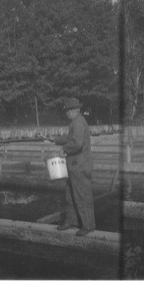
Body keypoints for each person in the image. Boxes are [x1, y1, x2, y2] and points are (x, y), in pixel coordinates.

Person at [53, 97, 96, 236]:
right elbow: (71, 138)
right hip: (75, 166)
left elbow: (76, 143)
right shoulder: (77, 122)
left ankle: (88, 225)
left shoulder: (77, 123)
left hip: (80, 166)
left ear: (72, 111)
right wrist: (55, 140)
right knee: (70, 194)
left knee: (82, 195)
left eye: (66, 111)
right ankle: (72, 221)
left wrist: (64, 149)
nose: (65, 114)